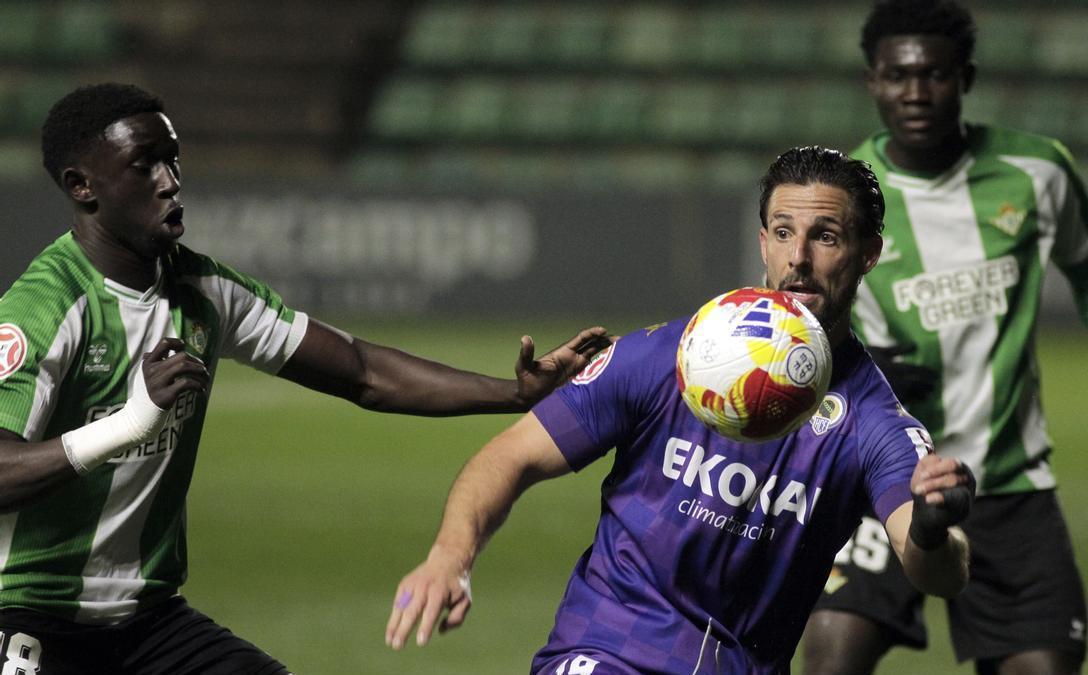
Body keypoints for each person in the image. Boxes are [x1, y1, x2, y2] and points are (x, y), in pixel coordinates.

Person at [0, 82, 610, 675]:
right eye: (144, 166)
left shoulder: (206, 292)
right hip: (28, 614)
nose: (170, 181)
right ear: (82, 187)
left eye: (173, 159)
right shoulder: (47, 308)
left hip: (149, 622)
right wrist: (128, 425)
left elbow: (364, 372)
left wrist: (512, 393)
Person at [385, 146, 976, 674]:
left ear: (867, 253)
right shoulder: (664, 355)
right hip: (606, 651)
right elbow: (511, 456)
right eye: (782, 231)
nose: (799, 257)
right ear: (763, 241)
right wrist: (449, 558)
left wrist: (929, 526)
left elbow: (939, 569)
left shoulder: (874, 420)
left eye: (825, 235)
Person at [802, 2, 1088, 674]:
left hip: (1008, 483)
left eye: (935, 74)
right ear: (873, 82)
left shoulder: (1037, 172)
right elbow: (795, 321)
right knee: (831, 653)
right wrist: (854, 365)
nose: (916, 92)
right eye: (898, 75)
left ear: (965, 77)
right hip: (882, 477)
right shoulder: (843, 195)